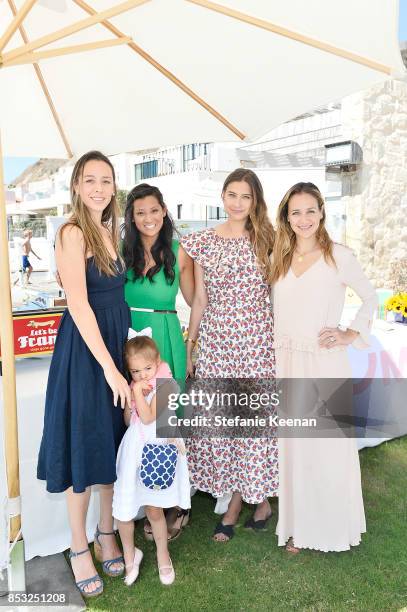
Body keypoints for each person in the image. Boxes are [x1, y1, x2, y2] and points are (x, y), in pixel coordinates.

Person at [37, 151, 131, 598]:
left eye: (106, 180)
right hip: (87, 354)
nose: (98, 188)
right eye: (90, 179)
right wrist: (111, 369)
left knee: (111, 444)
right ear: (76, 185)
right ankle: (78, 547)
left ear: (114, 187)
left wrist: (128, 360)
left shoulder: (112, 232)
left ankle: (106, 530)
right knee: (83, 446)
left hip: (113, 349)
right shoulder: (72, 232)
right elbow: (79, 304)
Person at [271, 181, 378, 553]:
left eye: (310, 210)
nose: (303, 219)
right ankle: (299, 528)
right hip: (286, 360)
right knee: (295, 447)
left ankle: (330, 527)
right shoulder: (277, 257)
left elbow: (370, 298)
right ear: (286, 216)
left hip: (324, 360)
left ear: (321, 213)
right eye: (295, 211)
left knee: (327, 447)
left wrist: (349, 334)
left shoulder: (340, 256)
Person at [181, 168, 278, 542]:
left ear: (256, 201)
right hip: (219, 344)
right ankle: (258, 501)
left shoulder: (268, 238)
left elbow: (277, 293)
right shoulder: (204, 241)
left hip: (255, 343)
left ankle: (240, 504)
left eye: (246, 196)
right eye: (232, 194)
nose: (238, 203)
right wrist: (192, 347)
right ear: (222, 196)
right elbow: (201, 299)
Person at [122, 183, 194, 540]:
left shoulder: (179, 252)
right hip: (130, 341)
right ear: (131, 218)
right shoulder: (122, 253)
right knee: (135, 419)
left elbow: (197, 298)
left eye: (153, 210)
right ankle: (141, 502)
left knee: (166, 425)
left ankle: (173, 504)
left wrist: (191, 344)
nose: (148, 218)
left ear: (164, 211)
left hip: (165, 339)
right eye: (140, 212)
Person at [113, 335, 190, 586]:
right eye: (135, 372)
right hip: (134, 448)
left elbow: (148, 419)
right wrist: (130, 403)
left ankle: (162, 553)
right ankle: (129, 555)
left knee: (153, 508)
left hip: (157, 447)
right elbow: (131, 422)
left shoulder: (166, 385)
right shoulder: (136, 384)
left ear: (158, 362)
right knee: (124, 511)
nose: (143, 375)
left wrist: (136, 392)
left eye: (147, 368)